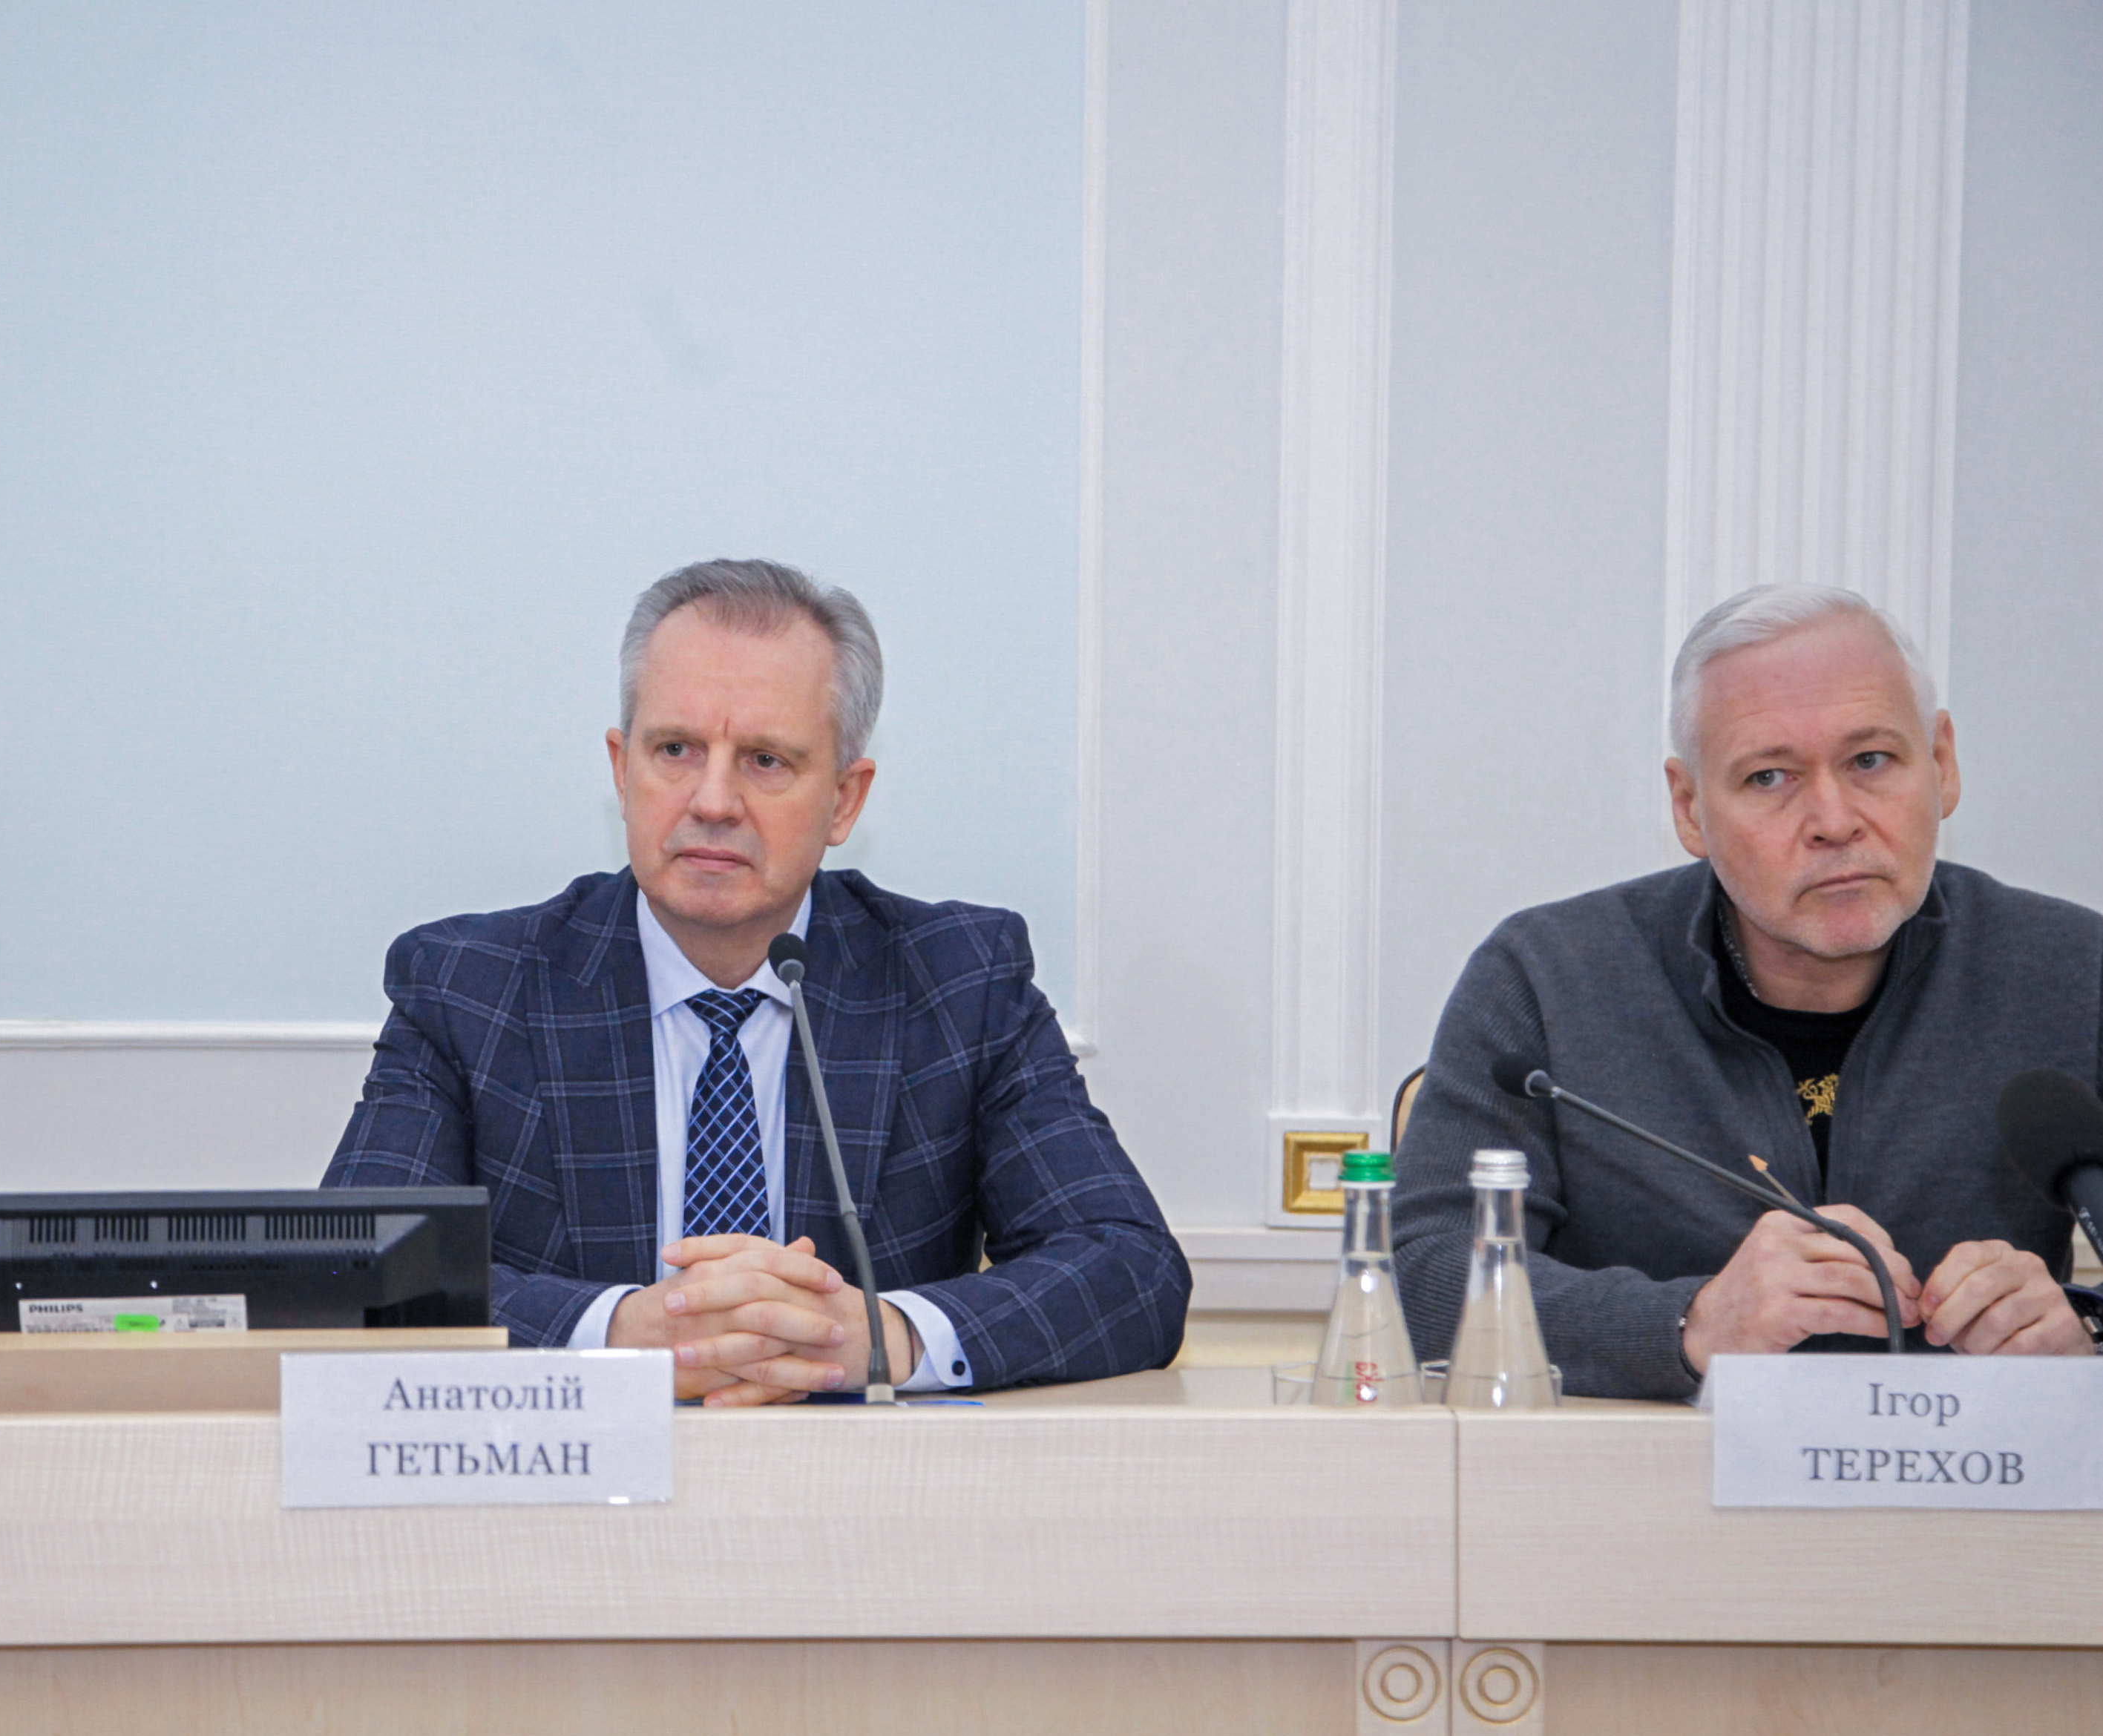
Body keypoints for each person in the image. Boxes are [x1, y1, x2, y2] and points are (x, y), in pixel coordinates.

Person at [324, 559, 1187, 1403]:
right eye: (675, 749)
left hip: (860, 1487)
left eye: (765, 760)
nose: (712, 801)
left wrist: (882, 1337)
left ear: (844, 800)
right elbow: (349, 1273)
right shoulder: (471, 988)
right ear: (621, 770)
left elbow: (1132, 1269)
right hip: (574, 1488)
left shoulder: (960, 982)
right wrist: (620, 1335)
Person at [1393, 583, 2103, 1398]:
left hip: (1969, 1474)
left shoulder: (2071, 971)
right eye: (1769, 777)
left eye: (1870, 761)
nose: (1833, 820)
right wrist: (1689, 1324)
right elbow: (1421, 1280)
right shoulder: (1546, 978)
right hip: (1652, 1472)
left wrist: (2083, 1331)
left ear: (1941, 765)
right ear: (1690, 809)